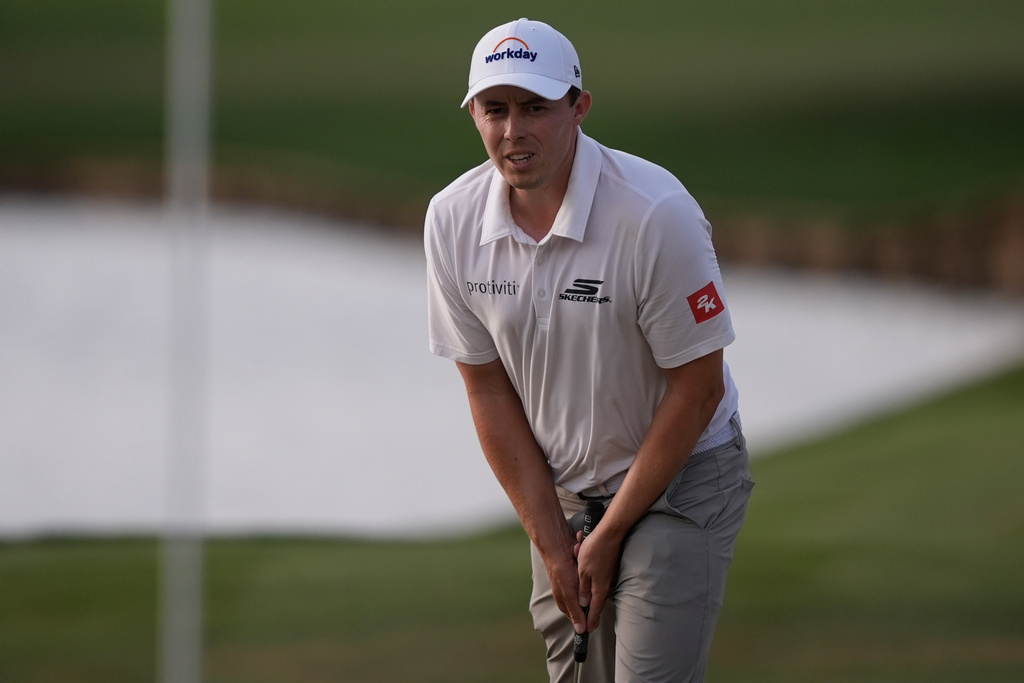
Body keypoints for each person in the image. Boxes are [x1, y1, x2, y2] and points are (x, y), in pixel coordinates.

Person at [424, 18, 753, 683]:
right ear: (473, 114)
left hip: (681, 479)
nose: (513, 130)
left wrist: (608, 536)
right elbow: (485, 387)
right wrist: (554, 542)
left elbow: (700, 387)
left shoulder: (654, 213)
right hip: (567, 495)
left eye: (534, 108)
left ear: (579, 108)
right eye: (495, 108)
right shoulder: (452, 220)